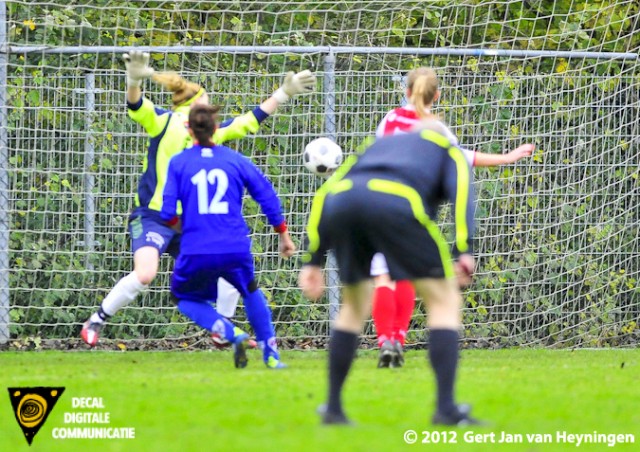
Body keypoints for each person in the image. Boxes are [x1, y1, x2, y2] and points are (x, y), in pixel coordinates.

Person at [81, 51, 315, 346]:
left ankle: (221, 328)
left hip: (191, 224)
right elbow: (137, 105)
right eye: (205, 103)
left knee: (229, 267)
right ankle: (97, 319)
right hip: (154, 216)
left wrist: (283, 93)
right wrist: (133, 81)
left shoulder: (209, 133)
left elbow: (248, 121)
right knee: (145, 274)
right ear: (195, 108)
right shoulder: (165, 123)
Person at [299, 120, 480, 425]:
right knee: (444, 302)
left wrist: (312, 259)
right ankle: (446, 409)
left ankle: (333, 409)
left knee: (353, 307)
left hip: (345, 201)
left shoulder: (377, 144)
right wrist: (465, 249)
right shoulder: (449, 150)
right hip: (397, 202)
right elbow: (462, 196)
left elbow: (326, 193)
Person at [371, 67, 535, 368]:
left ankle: (385, 341)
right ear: (438, 96)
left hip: (381, 203)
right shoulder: (438, 130)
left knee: (383, 275)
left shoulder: (390, 120)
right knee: (406, 273)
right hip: (415, 209)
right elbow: (464, 160)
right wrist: (508, 157)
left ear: (406, 92)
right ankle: (399, 338)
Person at [161, 104, 295, 368]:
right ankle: (271, 355)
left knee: (183, 297)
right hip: (234, 246)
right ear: (217, 128)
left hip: (196, 247)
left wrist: (183, 227)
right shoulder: (235, 160)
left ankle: (232, 332)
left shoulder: (179, 163)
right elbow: (266, 196)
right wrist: (283, 234)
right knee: (250, 290)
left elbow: (167, 213)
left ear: (189, 129)